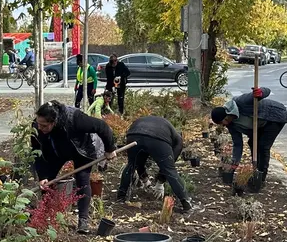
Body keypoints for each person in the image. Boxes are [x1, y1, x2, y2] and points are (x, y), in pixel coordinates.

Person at [31, 100, 117, 234]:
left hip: (81, 150)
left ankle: (83, 221)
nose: (40, 128)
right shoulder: (37, 126)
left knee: (82, 180)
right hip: (56, 152)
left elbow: (102, 126)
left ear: (54, 121)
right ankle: (45, 216)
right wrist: (42, 176)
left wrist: (110, 149)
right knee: (46, 182)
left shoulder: (76, 119)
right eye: (39, 124)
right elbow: (36, 152)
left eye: (44, 126)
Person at [210, 87, 287, 192]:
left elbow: (267, 91)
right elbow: (238, 144)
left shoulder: (240, 102)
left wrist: (260, 93)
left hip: (274, 116)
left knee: (262, 146)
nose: (223, 125)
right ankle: (255, 171)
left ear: (227, 115)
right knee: (252, 143)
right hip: (259, 125)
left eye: (222, 122)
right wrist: (234, 163)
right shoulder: (231, 125)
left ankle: (261, 177)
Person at [117, 115, 193, 213]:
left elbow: (139, 161)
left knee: (131, 165)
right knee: (170, 170)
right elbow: (169, 167)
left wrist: (147, 179)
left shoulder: (162, 126)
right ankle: (186, 204)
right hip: (156, 137)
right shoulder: (178, 141)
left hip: (133, 134)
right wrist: (159, 182)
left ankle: (120, 197)